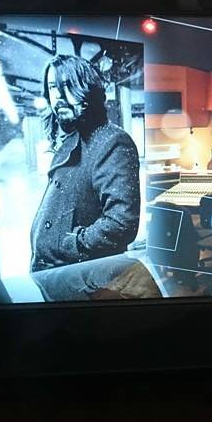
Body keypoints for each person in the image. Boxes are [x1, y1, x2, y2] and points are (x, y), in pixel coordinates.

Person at [29, 54, 141, 272]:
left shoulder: (112, 141)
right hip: (55, 274)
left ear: (87, 88)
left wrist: (70, 244)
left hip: (80, 278)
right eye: (52, 87)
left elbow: (122, 223)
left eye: (67, 85)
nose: (58, 95)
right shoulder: (73, 139)